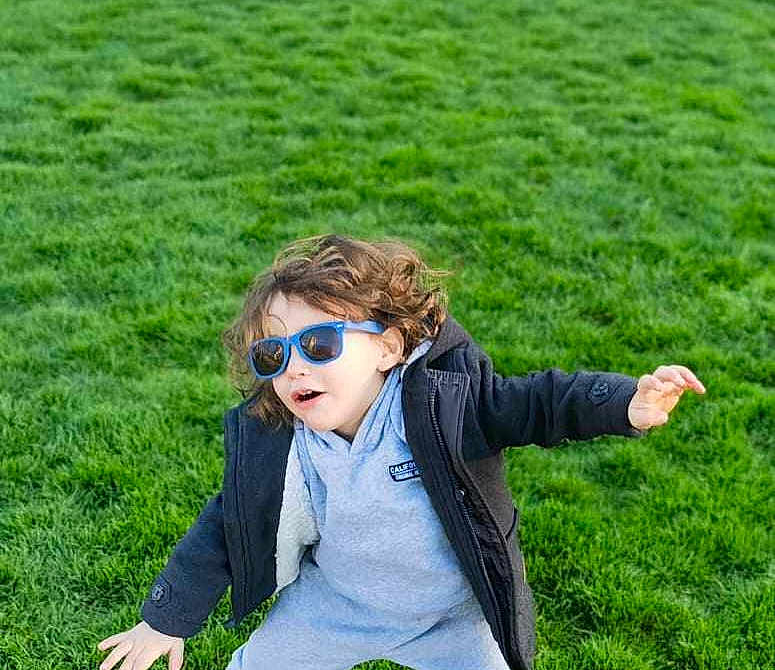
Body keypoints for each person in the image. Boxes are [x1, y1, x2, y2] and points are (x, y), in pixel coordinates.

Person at [97, 233, 706, 670]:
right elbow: (228, 527)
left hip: (450, 617)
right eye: (274, 355)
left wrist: (627, 402)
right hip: (336, 607)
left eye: (317, 342)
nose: (293, 368)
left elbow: (538, 403)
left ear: (387, 348)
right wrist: (164, 621)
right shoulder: (287, 444)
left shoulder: (450, 404)